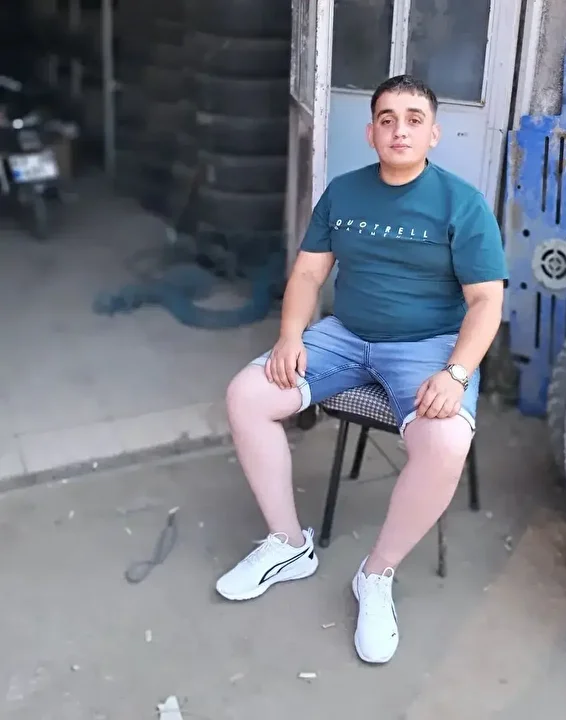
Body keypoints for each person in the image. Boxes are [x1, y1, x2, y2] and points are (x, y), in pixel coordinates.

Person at [217, 74, 508, 664]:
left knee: (445, 442)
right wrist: (290, 335)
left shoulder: (462, 203)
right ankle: (288, 544)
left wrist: (455, 373)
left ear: (433, 134)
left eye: (413, 119)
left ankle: (376, 574)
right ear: (371, 131)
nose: (399, 130)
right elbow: (308, 273)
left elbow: (486, 302)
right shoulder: (343, 193)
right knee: (247, 395)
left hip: (427, 347)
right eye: (387, 119)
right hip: (345, 336)